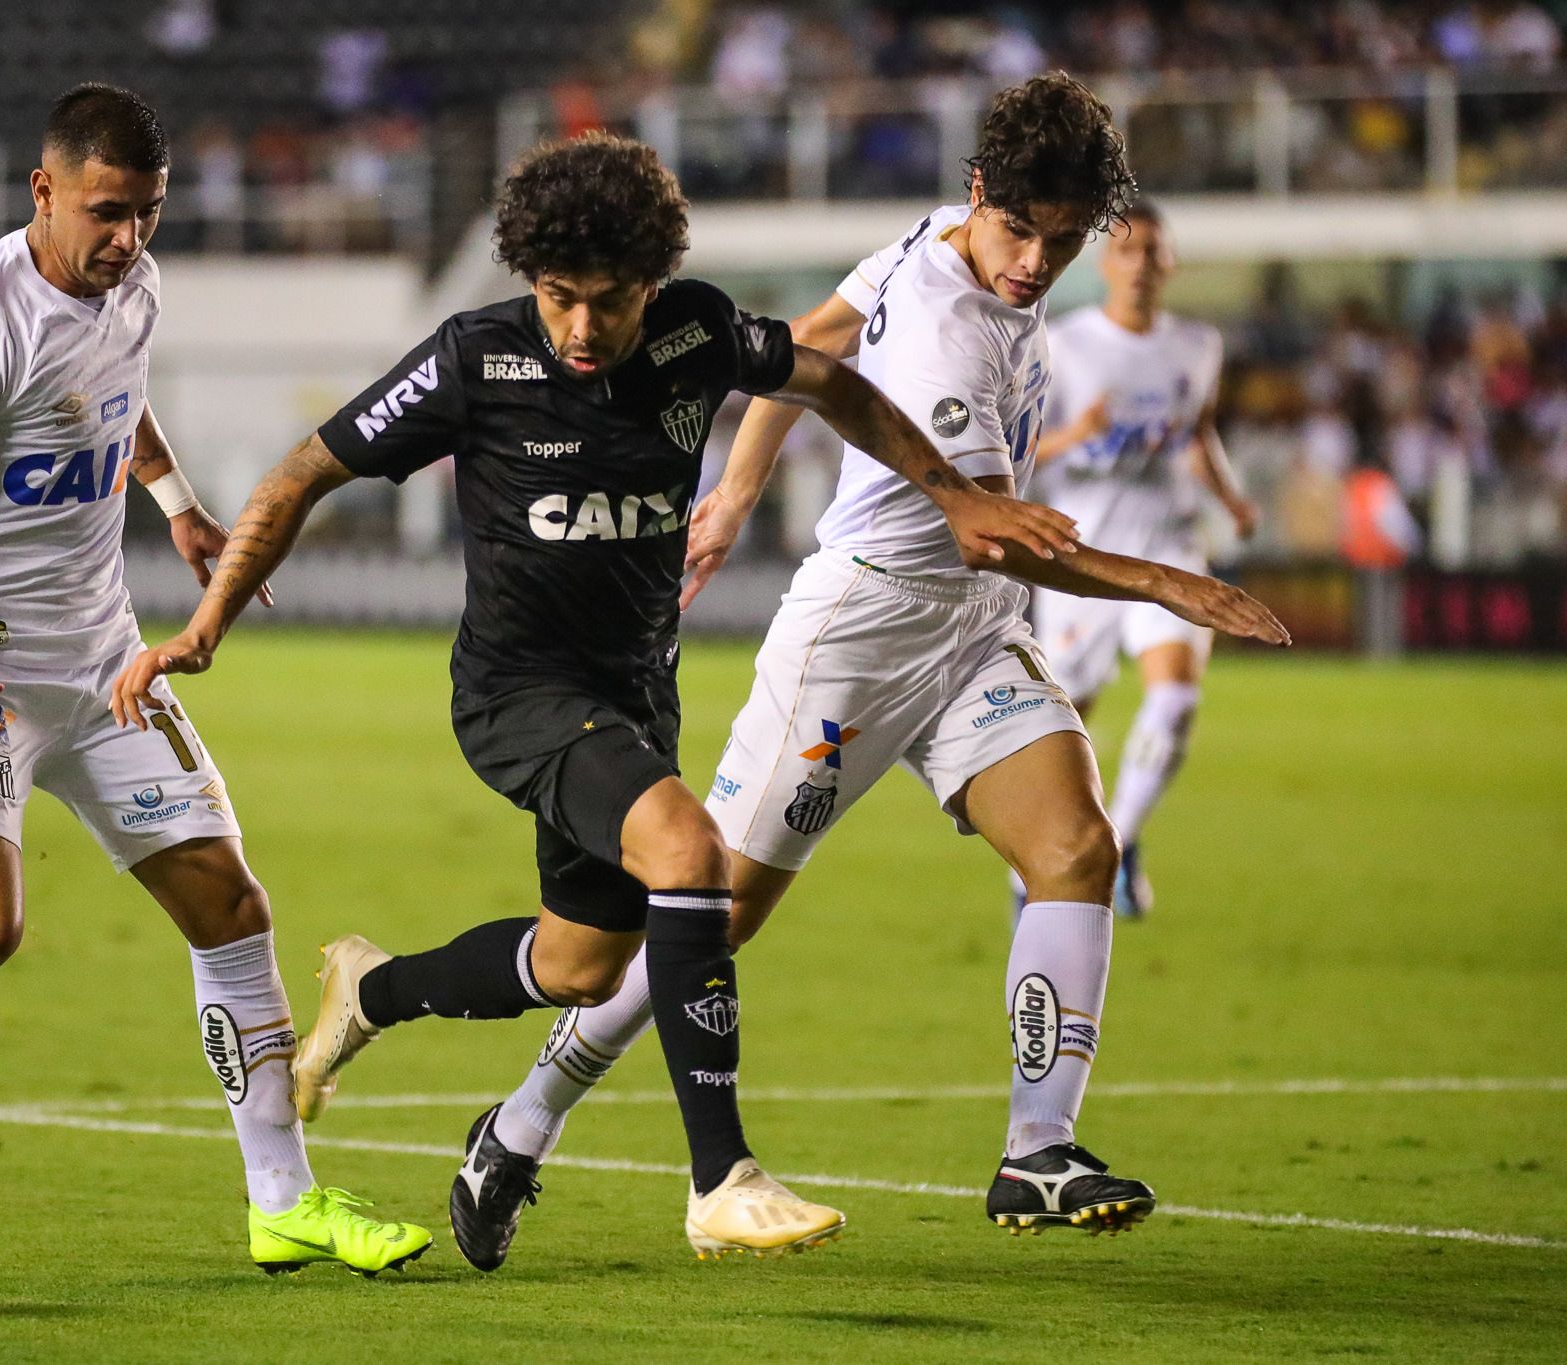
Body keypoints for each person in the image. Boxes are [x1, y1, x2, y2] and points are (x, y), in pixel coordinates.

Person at [108, 130, 1081, 1264]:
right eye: (557, 298)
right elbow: (298, 474)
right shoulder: (473, 359)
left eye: (605, 302)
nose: (578, 328)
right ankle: (720, 1177)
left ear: (652, 285)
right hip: (517, 695)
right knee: (689, 856)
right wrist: (207, 622)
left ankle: (373, 991)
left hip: (631, 696)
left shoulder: (695, 330)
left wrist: (950, 496)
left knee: (580, 966)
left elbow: (830, 386)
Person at [473, 74, 1292, 1267]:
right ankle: (517, 1125)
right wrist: (1168, 581)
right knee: (716, 916)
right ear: (979, 196)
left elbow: (806, 344)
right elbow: (989, 527)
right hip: (858, 637)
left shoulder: (930, 246)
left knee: (1076, 848)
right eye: (1019, 232)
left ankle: (1035, 1153)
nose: (1034, 263)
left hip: (969, 636)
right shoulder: (953, 330)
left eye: (1061, 242)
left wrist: (737, 487)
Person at [0, 83, 430, 1277]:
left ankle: (282, 1203)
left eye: (148, 213)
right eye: (107, 211)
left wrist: (178, 509)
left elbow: (118, 404)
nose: (128, 238)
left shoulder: (134, 283)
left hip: (103, 656)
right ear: (45, 191)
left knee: (231, 911)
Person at [1025, 202, 1260, 918]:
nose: (1143, 264)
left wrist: (1232, 497)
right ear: (1105, 264)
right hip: (1083, 556)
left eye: (1156, 251)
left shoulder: (1198, 344)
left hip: (1171, 542)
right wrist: (1077, 434)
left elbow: (1198, 432)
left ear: (1172, 263)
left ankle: (1117, 846)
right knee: (1065, 729)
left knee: (1176, 696)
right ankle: (1034, 869)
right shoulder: (1062, 345)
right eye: (1129, 252)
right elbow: (1019, 450)